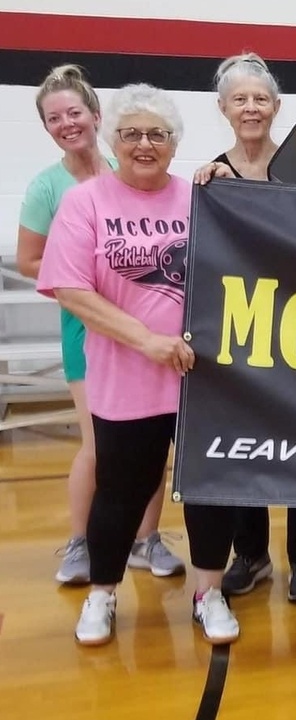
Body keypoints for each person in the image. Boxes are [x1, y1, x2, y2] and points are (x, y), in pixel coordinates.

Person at [37, 83, 242, 646]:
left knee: (207, 487)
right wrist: (147, 341)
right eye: (131, 134)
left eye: (157, 134)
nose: (144, 144)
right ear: (114, 140)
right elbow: (71, 290)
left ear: (174, 143)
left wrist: (236, 189)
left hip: (205, 380)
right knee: (122, 490)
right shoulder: (87, 202)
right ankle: (101, 595)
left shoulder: (202, 198)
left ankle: (209, 592)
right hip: (126, 377)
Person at [16, 64, 183, 586]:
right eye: (53, 118)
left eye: (73, 112)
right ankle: (81, 544)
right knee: (101, 449)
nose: (67, 123)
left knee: (150, 451)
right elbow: (34, 263)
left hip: (159, 340)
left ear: (94, 115)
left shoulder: (130, 165)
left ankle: (146, 538)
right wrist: (86, 276)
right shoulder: (53, 189)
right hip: (89, 329)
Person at [194, 53, 296, 602]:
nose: (251, 108)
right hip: (241, 335)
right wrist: (206, 192)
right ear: (223, 109)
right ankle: (250, 554)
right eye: (240, 99)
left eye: (261, 99)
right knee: (246, 447)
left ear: (278, 107)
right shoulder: (210, 178)